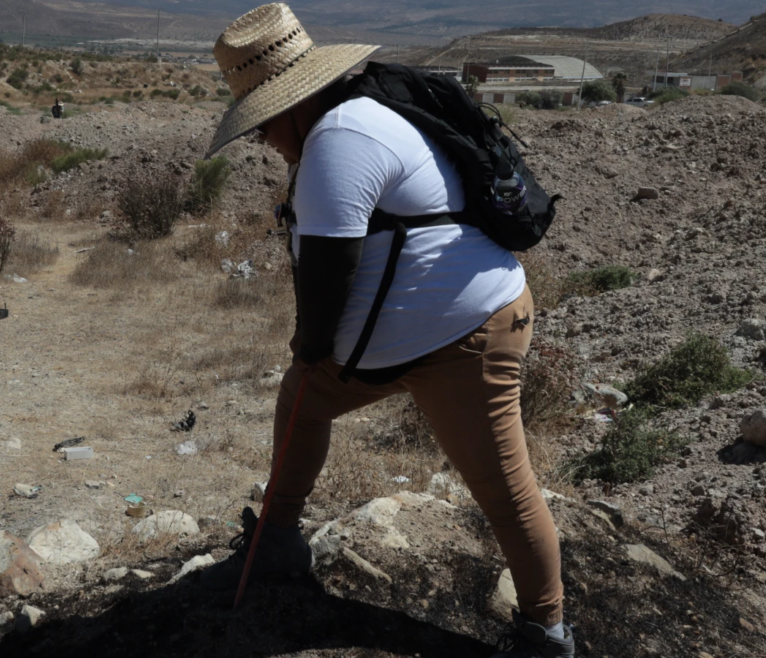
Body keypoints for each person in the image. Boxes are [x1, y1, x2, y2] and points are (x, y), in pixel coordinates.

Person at [197, 5, 573, 657]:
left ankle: (546, 631)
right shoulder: (360, 117)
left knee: (502, 485)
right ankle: (279, 543)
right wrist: (313, 362)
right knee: (302, 402)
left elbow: (328, 270)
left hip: (466, 339)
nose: (263, 141)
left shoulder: (341, 138)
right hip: (410, 338)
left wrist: (311, 349)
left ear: (293, 103)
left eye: (263, 124)